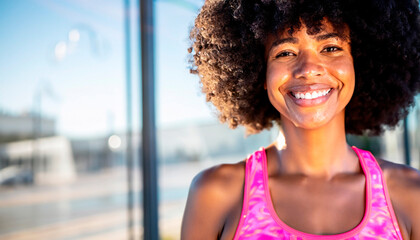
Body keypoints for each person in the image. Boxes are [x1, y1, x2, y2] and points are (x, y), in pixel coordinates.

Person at [181, 0, 420, 239]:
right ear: (261, 73)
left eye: (330, 48)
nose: (308, 68)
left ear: (358, 62)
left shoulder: (410, 194)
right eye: (285, 53)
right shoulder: (216, 193)